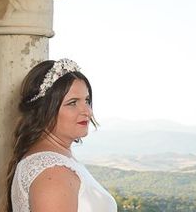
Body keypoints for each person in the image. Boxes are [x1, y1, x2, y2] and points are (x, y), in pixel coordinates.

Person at [7, 58, 118, 212]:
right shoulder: (53, 173)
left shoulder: (58, 160)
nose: (87, 111)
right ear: (44, 110)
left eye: (87, 100)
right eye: (73, 102)